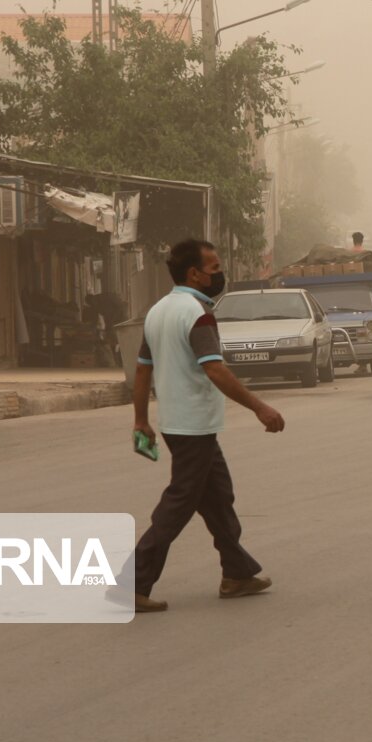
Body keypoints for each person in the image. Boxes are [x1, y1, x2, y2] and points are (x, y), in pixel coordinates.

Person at [122, 238, 285, 614]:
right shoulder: (197, 314)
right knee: (178, 504)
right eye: (215, 269)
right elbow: (215, 369)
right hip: (193, 425)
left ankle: (237, 573)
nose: (220, 274)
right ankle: (133, 583)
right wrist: (259, 407)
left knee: (218, 498)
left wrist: (142, 420)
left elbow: (143, 370)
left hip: (178, 424)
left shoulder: (158, 311)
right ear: (194, 274)